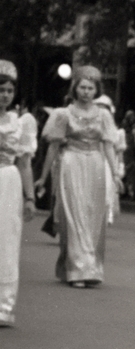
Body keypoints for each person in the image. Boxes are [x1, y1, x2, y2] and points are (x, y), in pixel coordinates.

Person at [39, 65, 121, 288]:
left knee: (93, 215)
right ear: (75, 89)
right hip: (71, 162)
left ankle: (91, 266)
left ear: (97, 91)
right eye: (82, 87)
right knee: (74, 214)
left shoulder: (103, 115)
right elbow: (53, 147)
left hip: (95, 163)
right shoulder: (63, 114)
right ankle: (78, 269)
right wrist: (43, 176)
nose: (86, 92)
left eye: (90, 88)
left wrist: (115, 173)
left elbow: (109, 145)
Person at [0, 60, 39, 325]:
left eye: (9, 91)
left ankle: (4, 305)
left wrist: (29, 197)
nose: (4, 95)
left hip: (8, 180)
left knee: (7, 240)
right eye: (0, 90)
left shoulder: (21, 122)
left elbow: (25, 162)